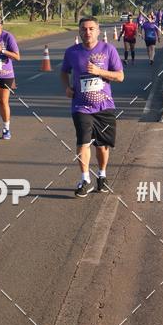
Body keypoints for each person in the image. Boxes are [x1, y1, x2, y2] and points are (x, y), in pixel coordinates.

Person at [61, 16, 124, 197]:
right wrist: (67, 87)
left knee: (102, 146)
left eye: (90, 29)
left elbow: (120, 76)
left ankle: (102, 175)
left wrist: (99, 72)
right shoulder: (72, 52)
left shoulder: (108, 49)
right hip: (81, 107)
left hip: (105, 106)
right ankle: (85, 178)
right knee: (83, 142)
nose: (87, 32)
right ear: (79, 32)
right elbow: (64, 72)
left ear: (97, 30)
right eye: (83, 29)